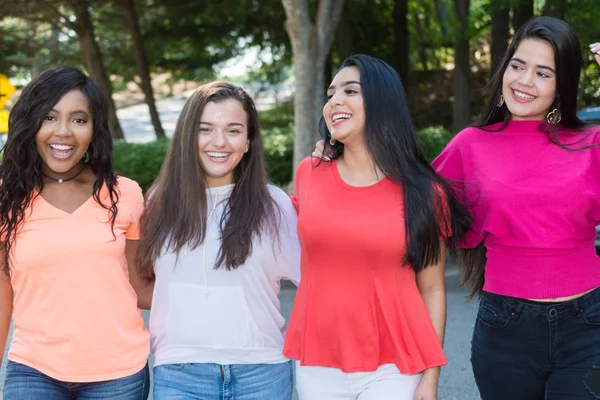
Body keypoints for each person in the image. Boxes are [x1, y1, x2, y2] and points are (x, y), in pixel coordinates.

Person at [284, 54, 471, 400]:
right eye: (331, 93)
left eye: (350, 91)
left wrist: (431, 379)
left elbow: (432, 290)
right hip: (318, 362)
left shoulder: (425, 193)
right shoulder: (308, 174)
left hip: (395, 367)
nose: (335, 101)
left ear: (383, 103)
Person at [431, 16, 600, 399]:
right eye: (518, 66)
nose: (523, 81)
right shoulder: (470, 145)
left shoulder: (592, 143)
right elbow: (405, 201)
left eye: (543, 73)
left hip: (589, 326)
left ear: (562, 86)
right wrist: (337, 154)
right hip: (505, 330)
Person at [136, 81, 300, 400]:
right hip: (180, 374)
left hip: (262, 374)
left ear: (249, 141)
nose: (219, 142)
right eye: (205, 129)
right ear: (187, 136)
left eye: (234, 130)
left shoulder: (275, 205)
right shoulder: (158, 202)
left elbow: (320, 283)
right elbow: (140, 282)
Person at [0, 66, 150, 399]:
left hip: (119, 373)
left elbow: (140, 285)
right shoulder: (5, 197)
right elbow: (2, 294)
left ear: (95, 130)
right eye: (50, 118)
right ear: (31, 124)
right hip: (33, 370)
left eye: (79, 120)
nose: (64, 132)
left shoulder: (125, 194)